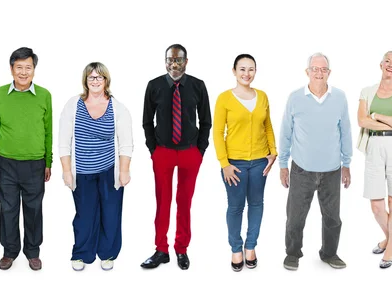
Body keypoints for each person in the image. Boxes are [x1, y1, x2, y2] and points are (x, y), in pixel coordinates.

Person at [141, 44, 212, 270]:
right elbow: (146, 121)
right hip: (163, 152)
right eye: (170, 60)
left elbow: (206, 121)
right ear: (165, 62)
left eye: (178, 60)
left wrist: (200, 151)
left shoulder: (198, 86)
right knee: (162, 202)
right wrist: (154, 150)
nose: (174, 64)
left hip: (190, 152)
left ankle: (181, 249)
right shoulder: (154, 86)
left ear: (186, 62)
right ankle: (161, 249)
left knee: (184, 202)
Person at [279, 52, 352, 271]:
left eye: (323, 69)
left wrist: (346, 164)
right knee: (295, 217)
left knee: (332, 218)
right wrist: (283, 164)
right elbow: (286, 132)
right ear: (307, 72)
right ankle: (292, 253)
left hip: (332, 169)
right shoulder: (295, 97)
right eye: (315, 69)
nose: (319, 73)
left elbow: (345, 131)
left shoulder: (339, 97)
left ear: (329, 73)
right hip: (302, 169)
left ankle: (329, 253)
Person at [59, 62, 133, 271]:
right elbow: (64, 141)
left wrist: (124, 170)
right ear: (85, 81)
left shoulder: (117, 107)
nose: (95, 81)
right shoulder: (73, 105)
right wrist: (66, 170)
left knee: (111, 213)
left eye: (99, 77)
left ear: (106, 80)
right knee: (85, 214)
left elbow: (126, 142)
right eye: (91, 77)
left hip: (110, 171)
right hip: (82, 172)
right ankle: (81, 254)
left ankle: (108, 253)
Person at [0, 47, 52, 271]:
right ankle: (9, 251)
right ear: (11, 69)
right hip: (5, 163)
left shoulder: (44, 95)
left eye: (28, 67)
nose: (24, 72)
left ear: (34, 70)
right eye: (19, 67)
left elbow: (48, 130)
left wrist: (48, 162)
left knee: (33, 210)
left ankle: (33, 252)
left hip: (35, 163)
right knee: (8, 208)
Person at [213, 54, 277, 272]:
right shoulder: (224, 98)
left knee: (257, 204)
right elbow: (218, 132)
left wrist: (273, 153)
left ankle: (251, 246)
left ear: (255, 72)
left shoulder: (263, 96)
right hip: (234, 164)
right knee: (236, 206)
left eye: (251, 69)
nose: (246, 74)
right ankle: (236, 248)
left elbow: (267, 126)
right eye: (242, 69)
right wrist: (224, 163)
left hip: (260, 161)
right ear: (234, 71)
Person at [356, 50, 392, 268]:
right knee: (376, 204)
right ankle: (391, 237)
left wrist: (377, 116)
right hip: (374, 146)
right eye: (387, 61)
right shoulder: (367, 92)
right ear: (381, 65)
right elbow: (362, 121)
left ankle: (389, 248)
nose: (391, 65)